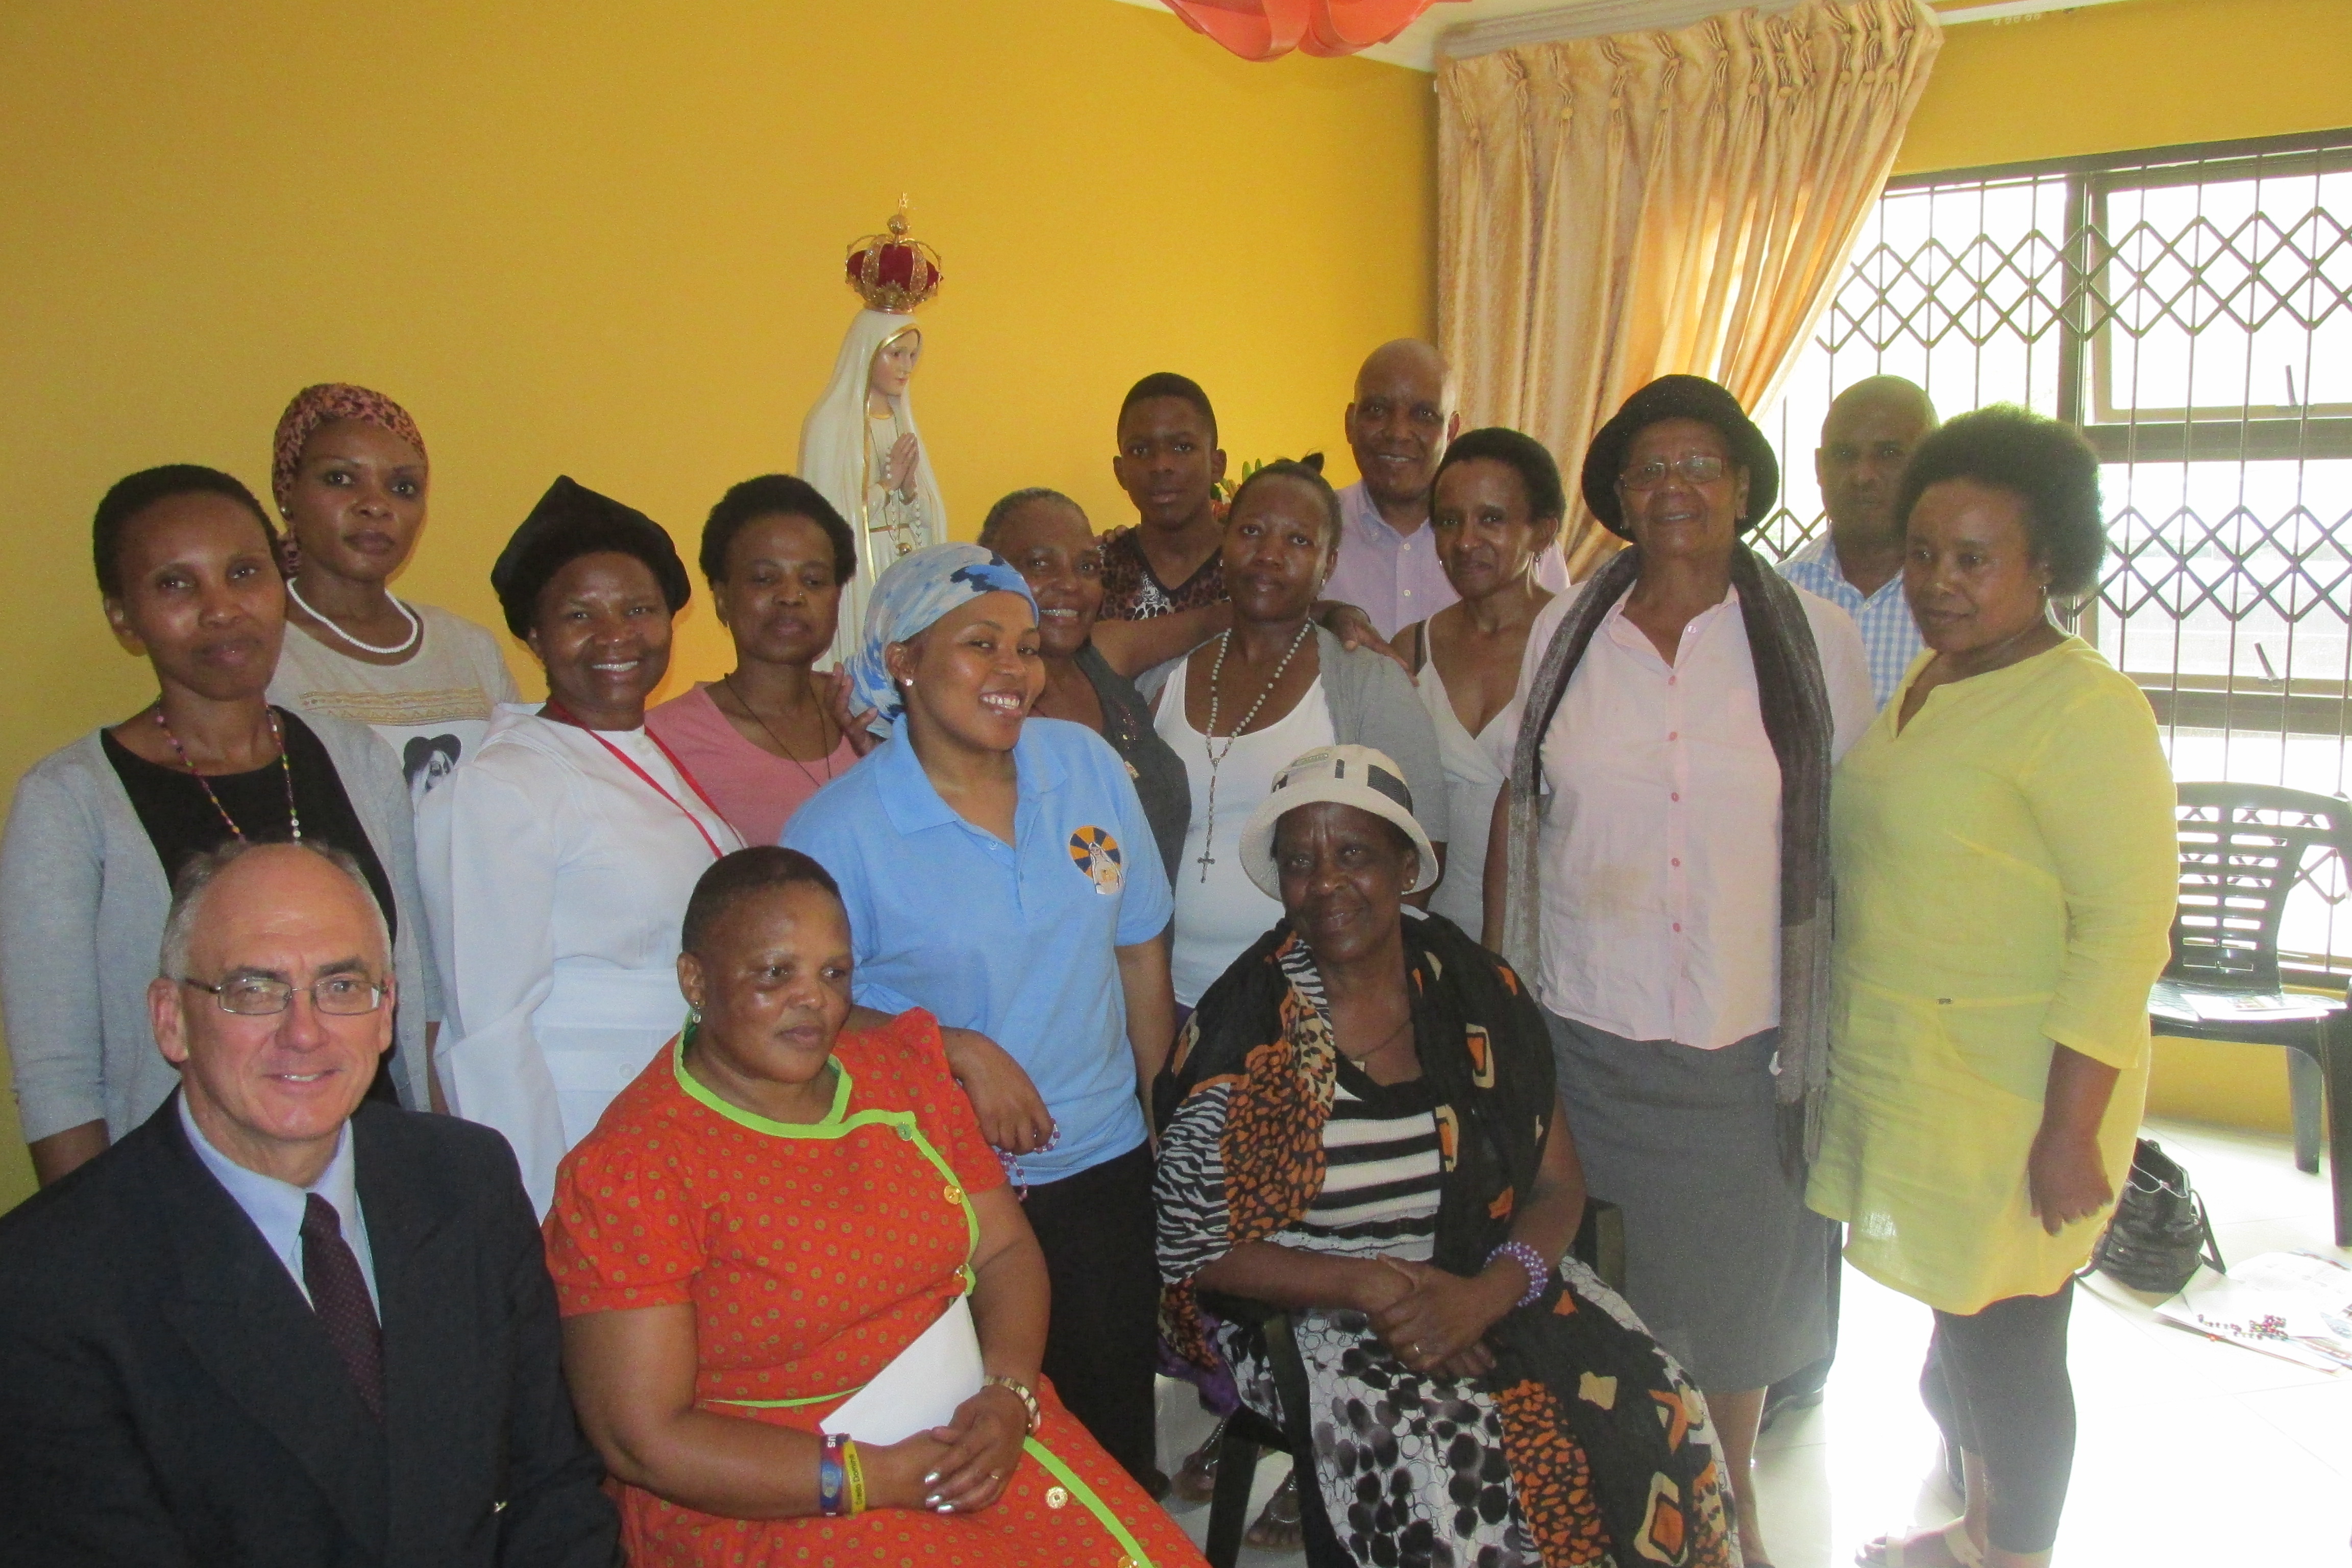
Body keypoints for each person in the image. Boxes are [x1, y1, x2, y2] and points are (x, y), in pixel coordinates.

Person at [1155, 745, 1738, 1568]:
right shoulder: (1245, 1027)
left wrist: (1486, 1295)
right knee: (1451, 1457)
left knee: (1657, 1405)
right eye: (1299, 862)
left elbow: (1557, 1187)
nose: (1325, 883)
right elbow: (1196, 1245)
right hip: (1314, 1304)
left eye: (1353, 853)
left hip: (1486, 1267)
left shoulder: (1479, 993)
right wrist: (1373, 1286)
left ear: (1406, 868)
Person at [547, 846, 1205, 1567]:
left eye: (834, 974)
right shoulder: (637, 1168)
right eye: (776, 974)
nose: (814, 1000)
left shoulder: (899, 1079)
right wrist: (871, 1476)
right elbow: (642, 1440)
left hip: (966, 1434)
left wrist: (1009, 1391)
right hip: (778, 1492)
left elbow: (1005, 1251)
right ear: (695, 981)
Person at [1486, 374, 1876, 1568]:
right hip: (1585, 1024)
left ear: (1744, 485)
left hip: (1745, 1032)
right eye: (1648, 467)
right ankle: (1615, 1504)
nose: (1673, 487)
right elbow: (1522, 804)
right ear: (1617, 492)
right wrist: (1501, 1000)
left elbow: (1850, 830)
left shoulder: (1815, 638)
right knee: (1599, 1301)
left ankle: (1730, 1503)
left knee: (1735, 1304)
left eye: (1700, 464)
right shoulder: (1566, 630)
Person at [0, 840, 618, 1564]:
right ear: (171, 1019)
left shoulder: (466, 1180)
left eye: (342, 986)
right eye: (254, 990)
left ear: (387, 1013)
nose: (303, 1032)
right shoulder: (50, 1280)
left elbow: (554, 1492)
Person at [1810, 407, 2177, 1568]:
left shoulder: (2084, 707)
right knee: (1959, 1332)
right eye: (1924, 552)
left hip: (2018, 1097)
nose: (1937, 582)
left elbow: (2125, 934)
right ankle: (1974, 1532)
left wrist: (2069, 1130)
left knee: (2011, 1346)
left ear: (2047, 563)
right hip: (1925, 1081)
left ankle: (2013, 1554)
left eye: (1973, 558)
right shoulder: (1940, 673)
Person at [782, 543, 1177, 1486]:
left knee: (1112, 1444)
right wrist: (951, 1048)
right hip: (939, 1192)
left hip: (1102, 1163)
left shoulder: (1083, 766)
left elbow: (1138, 953)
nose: (1015, 670)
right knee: (973, 1458)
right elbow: (805, 1018)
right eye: (980, 644)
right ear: (904, 661)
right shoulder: (839, 832)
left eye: (1027, 648)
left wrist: (1162, 1123)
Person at [2, 465, 438, 1188]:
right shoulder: (70, 802)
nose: (221, 609)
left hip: (375, 1182)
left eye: (243, 573)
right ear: (123, 616)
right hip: (183, 1207)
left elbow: (415, 996)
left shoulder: (357, 759)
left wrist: (439, 1174)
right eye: (176, 584)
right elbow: (58, 1076)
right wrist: (99, 1240)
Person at [417, 476, 743, 1217]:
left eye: (638, 610)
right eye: (578, 615)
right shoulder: (503, 786)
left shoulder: (638, 751)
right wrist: (539, 1215)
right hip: (582, 1142)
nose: (615, 636)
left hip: (681, 1131)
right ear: (534, 637)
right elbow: (486, 1034)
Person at [979, 485, 1402, 884]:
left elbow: (1219, 618)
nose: (1070, 583)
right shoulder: (976, 702)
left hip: (1148, 931)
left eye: (1087, 566)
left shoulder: (1104, 655)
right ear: (984, 570)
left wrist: (1326, 610)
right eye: (1039, 564)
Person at [1155, 458, 1445, 1016]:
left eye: (1298, 540)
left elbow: (1422, 855)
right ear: (1224, 544)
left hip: (1311, 1006)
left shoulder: (1368, 683)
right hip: (1170, 997)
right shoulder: (1166, 677)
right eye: (1251, 531)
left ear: (1328, 563)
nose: (1269, 554)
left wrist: (1347, 992)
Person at [262, 383, 523, 799]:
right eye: (340, 479)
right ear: (286, 492)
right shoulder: (259, 652)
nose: (375, 505)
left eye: (403, 488)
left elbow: (523, 796)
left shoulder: (471, 649)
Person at [1394, 427, 1562, 933]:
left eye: (1492, 519)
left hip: (1550, 945)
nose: (1465, 541)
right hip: (1434, 942)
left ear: (1542, 531)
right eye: (1449, 521)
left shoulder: (1581, 645)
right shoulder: (1412, 649)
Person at [646, 475, 862, 847]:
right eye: (764, 579)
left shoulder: (872, 713)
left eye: (813, 581)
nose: (791, 596)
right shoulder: (662, 743)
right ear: (721, 598)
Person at [1323, 340, 1567, 638]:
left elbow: (1560, 645)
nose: (1398, 433)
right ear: (1350, 423)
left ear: (1451, 430)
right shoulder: (1312, 530)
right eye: (1377, 410)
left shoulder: (1522, 544)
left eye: (1424, 415)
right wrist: (1326, 613)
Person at [799, 213, 949, 666]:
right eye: (896, 354)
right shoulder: (831, 424)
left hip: (900, 567)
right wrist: (888, 485)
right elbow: (826, 524)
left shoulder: (902, 422)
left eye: (912, 356)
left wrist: (910, 489)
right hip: (859, 576)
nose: (906, 368)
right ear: (867, 352)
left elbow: (925, 515)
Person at [1777, 375, 1941, 708]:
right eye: (1844, 455)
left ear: (1932, 465)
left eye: (1889, 454)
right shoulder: (1774, 597)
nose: (1863, 475)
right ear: (1819, 468)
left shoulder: (1969, 601)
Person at [1100, 372, 1230, 620]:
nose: (1161, 466)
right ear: (1120, 471)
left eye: (1183, 447)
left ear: (1217, 464)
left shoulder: (1254, 568)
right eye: (1140, 450)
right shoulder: (1096, 573)